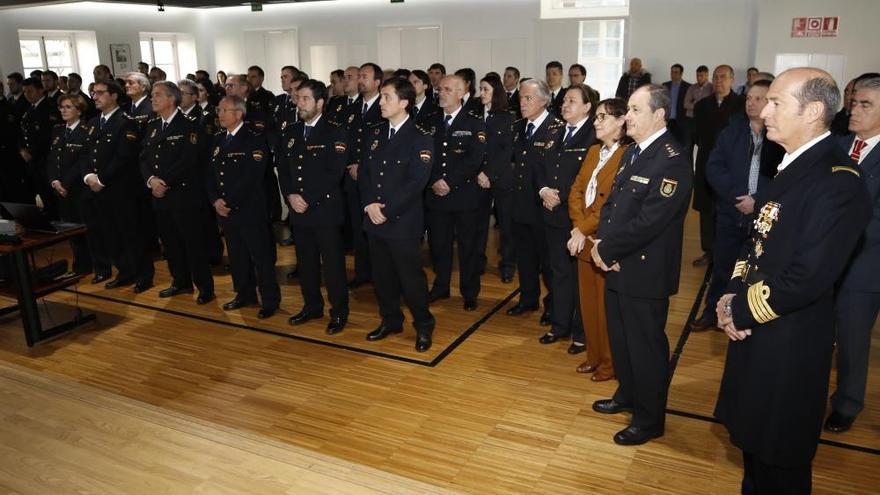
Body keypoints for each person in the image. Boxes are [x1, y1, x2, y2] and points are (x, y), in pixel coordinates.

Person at [714, 68, 870, 495]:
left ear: (814, 111)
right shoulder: (790, 166)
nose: (765, 110)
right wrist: (730, 294)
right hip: (754, 329)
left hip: (789, 341)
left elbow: (807, 277)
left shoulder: (838, 181)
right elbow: (756, 244)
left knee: (780, 460)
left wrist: (738, 309)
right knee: (752, 449)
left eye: (777, 102)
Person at [590, 84, 692, 446]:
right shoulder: (634, 152)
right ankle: (628, 395)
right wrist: (602, 244)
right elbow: (613, 205)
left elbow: (652, 220)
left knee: (645, 347)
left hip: (644, 269)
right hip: (618, 262)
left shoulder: (672, 159)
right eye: (628, 110)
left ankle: (649, 419)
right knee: (622, 339)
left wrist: (608, 250)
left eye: (635, 110)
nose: (627, 117)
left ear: (659, 115)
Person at [691, 80, 783, 332]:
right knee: (722, 267)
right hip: (731, 211)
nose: (751, 103)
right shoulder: (732, 131)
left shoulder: (780, 135)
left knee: (758, 271)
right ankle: (712, 312)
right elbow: (714, 167)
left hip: (765, 215)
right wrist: (738, 197)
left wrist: (758, 200)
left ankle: (747, 316)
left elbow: (785, 178)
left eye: (758, 98)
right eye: (748, 98)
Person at [359, 77, 435, 352]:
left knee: (410, 279)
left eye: (387, 97)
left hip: (402, 222)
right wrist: (369, 204)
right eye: (381, 97)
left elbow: (416, 184)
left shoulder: (420, 137)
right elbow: (365, 172)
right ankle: (391, 320)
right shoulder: (375, 134)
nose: (381, 102)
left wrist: (386, 211)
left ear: (404, 102)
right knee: (382, 278)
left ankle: (424, 325)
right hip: (375, 220)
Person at [825, 74, 880, 434]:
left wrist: (834, 241)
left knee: (852, 339)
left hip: (864, 265)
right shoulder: (838, 145)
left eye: (866, 105)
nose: (854, 110)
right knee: (820, 332)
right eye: (854, 102)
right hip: (824, 260)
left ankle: (847, 402)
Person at [278, 79, 349, 335]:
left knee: (332, 267)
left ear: (320, 103)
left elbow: (335, 172)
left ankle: (339, 312)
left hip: (324, 210)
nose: (299, 103)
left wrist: (306, 198)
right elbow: (284, 170)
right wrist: (290, 196)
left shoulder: (335, 131)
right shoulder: (292, 131)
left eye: (305, 99)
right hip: (298, 210)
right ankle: (312, 306)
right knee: (306, 263)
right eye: (298, 98)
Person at [568, 97, 630, 381]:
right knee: (588, 304)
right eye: (596, 117)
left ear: (620, 121)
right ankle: (593, 356)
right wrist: (578, 227)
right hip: (583, 238)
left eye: (602, 117)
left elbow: (610, 203)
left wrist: (583, 229)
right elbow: (577, 189)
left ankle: (609, 363)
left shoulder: (627, 155)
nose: (596, 122)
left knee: (606, 308)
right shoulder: (594, 151)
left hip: (603, 240)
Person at [139, 81, 214, 305]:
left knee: (193, 244)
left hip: (183, 196)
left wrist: (164, 181)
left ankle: (205, 287)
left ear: (172, 99)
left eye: (158, 95)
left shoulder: (189, 126)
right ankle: (180, 281)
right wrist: (151, 180)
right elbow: (143, 157)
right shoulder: (152, 126)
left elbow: (189, 161)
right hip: (160, 196)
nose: (153, 99)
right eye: (152, 95)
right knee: (170, 244)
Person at [206, 95, 281, 319]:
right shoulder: (218, 139)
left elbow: (252, 177)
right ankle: (244, 294)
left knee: (261, 257)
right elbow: (209, 174)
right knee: (237, 256)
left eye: (224, 110)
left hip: (249, 209)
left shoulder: (255, 139)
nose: (219, 115)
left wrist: (227, 201)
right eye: (218, 110)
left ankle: (270, 300)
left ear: (239, 114)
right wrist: (214, 200)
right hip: (226, 211)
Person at [536, 84, 598, 354]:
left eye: (572, 101)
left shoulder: (594, 136)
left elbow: (591, 178)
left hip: (578, 219)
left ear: (587, 106)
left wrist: (564, 196)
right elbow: (539, 167)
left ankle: (581, 332)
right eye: (563, 100)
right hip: (552, 214)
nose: (564, 105)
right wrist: (544, 190)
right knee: (559, 273)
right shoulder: (554, 131)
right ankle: (559, 325)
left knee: (580, 276)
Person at [84, 80, 154, 293]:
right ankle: (125, 272)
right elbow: (86, 153)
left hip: (122, 189)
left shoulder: (125, 121)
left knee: (131, 233)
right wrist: (88, 176)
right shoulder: (94, 122)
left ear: (114, 96)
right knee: (111, 234)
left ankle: (143, 274)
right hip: (99, 189)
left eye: (99, 93)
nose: (94, 97)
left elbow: (124, 156)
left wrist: (101, 179)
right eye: (93, 93)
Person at [425, 75, 486, 311]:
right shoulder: (429, 121)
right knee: (438, 246)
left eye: (448, 90)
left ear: (461, 93)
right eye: (440, 89)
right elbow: (422, 157)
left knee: (468, 247)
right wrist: (433, 181)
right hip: (436, 196)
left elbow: (475, 158)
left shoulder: (473, 122)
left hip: (463, 196)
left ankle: (469, 292)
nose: (442, 93)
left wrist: (449, 181)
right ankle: (441, 287)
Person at [506, 79, 564, 326]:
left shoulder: (557, 128)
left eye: (528, 98)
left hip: (543, 207)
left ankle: (553, 305)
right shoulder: (518, 127)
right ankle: (528, 298)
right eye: (521, 98)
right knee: (525, 257)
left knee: (548, 260)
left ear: (544, 100)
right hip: (519, 204)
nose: (522, 102)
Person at [692, 65, 745, 268]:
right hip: (706, 162)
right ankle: (709, 252)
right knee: (706, 210)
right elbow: (696, 135)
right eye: (715, 77)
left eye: (723, 77)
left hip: (732, 165)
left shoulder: (741, 104)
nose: (718, 81)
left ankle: (729, 253)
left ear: (732, 80)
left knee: (729, 208)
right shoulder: (702, 105)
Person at [47, 94, 103, 277]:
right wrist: (54, 181)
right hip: (62, 191)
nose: (63, 110)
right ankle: (81, 267)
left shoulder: (86, 130)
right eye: (61, 107)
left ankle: (100, 267)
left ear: (79, 111)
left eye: (68, 107)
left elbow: (82, 161)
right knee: (71, 232)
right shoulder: (57, 130)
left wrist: (66, 183)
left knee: (90, 231)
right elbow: (52, 160)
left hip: (80, 190)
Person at [345, 62, 385, 289]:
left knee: (375, 229)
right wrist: (351, 164)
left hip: (374, 178)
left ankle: (380, 273)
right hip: (352, 178)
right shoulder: (352, 109)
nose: (360, 80)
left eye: (364, 76)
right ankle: (362, 272)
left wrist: (363, 166)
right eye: (358, 76)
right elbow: (346, 141)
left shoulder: (385, 106)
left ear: (377, 82)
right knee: (358, 228)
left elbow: (383, 145)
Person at [475, 74, 515, 284]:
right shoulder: (474, 116)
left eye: (485, 90)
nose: (481, 93)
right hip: (478, 178)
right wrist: (479, 173)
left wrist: (489, 174)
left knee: (506, 225)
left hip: (500, 177)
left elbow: (506, 150)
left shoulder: (507, 117)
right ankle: (478, 261)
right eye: (480, 89)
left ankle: (507, 264)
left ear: (495, 92)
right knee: (479, 224)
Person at [19, 77, 62, 220]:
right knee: (42, 191)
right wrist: (22, 149)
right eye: (24, 92)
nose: (27, 94)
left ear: (40, 90)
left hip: (45, 158)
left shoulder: (49, 108)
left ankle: (57, 218)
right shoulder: (30, 109)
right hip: (33, 160)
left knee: (51, 192)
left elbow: (48, 136)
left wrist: (32, 152)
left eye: (30, 91)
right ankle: (50, 216)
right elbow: (22, 133)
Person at [662, 63, 691, 147]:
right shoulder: (665, 85)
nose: (673, 74)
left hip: (681, 122)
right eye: (672, 72)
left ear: (681, 73)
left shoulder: (688, 87)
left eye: (676, 72)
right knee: (666, 146)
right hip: (667, 121)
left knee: (681, 147)